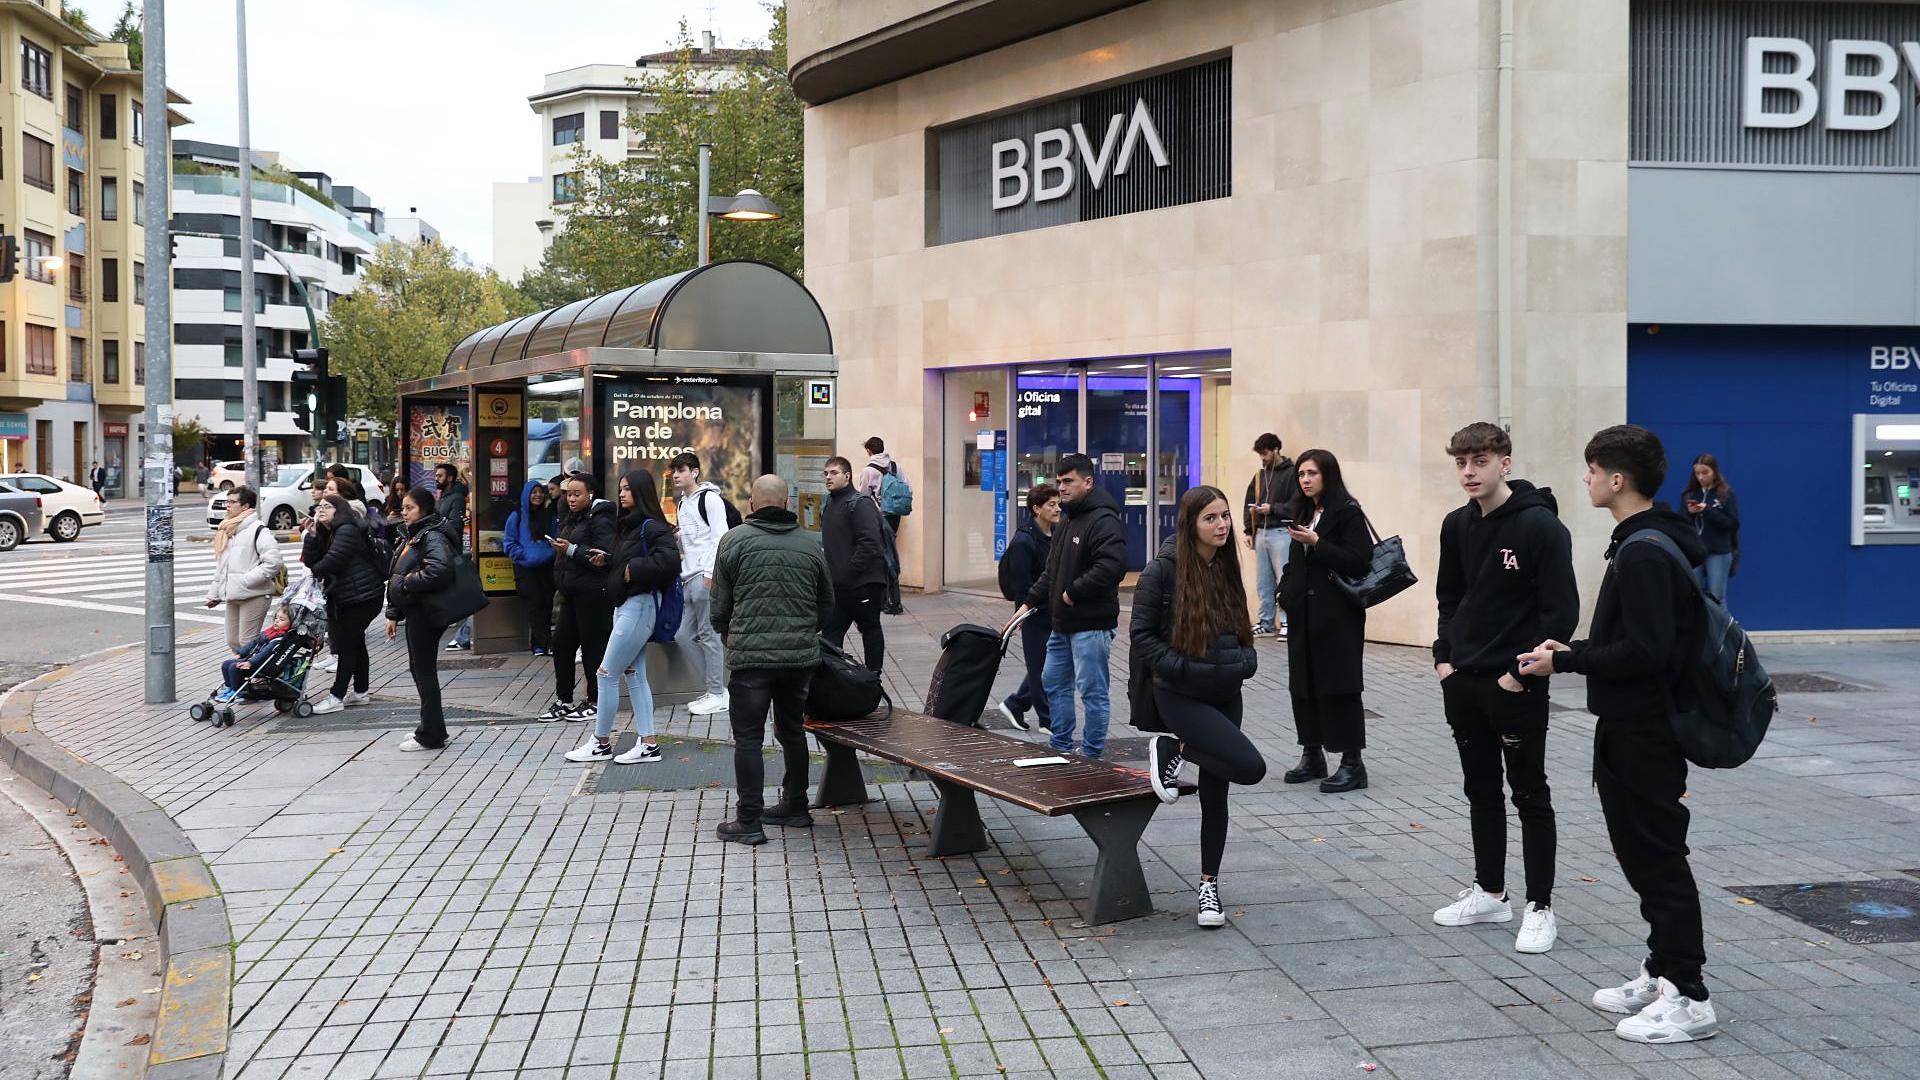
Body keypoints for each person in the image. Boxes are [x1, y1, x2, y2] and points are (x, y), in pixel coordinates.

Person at [1518, 424, 1718, 1044]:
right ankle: (1661, 971)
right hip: (1628, 725)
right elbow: (1633, 642)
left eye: (1590, 468)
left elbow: (1649, 652)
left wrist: (1568, 662)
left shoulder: (1646, 551)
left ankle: (1689, 995)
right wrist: (1573, 648)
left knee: (1658, 858)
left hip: (1646, 731)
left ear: (1616, 479)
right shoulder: (1641, 541)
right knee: (1640, 854)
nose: (1584, 478)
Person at [1430, 422, 1578, 955]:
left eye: (1480, 461)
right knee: (1480, 791)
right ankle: (1491, 892)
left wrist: (1519, 675)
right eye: (1461, 463)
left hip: (1514, 686)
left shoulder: (1541, 527)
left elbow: (1561, 612)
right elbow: (1449, 597)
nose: (1469, 472)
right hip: (1463, 683)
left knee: (1530, 794)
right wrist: (1444, 659)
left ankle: (1540, 906)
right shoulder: (1456, 525)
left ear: (1505, 463)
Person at [1130, 486, 1266, 928]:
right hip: (1181, 693)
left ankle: (1209, 886)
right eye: (1211, 518)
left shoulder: (1226, 567)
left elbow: (1243, 629)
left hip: (1226, 692)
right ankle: (1175, 748)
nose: (1222, 524)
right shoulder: (1162, 571)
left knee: (1217, 792)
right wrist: (1181, 669)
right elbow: (1142, 636)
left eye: (1225, 516)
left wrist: (1247, 661)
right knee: (1250, 766)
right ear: (1191, 524)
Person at [711, 474, 836, 846]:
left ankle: (749, 820)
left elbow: (719, 606)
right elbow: (827, 602)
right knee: (792, 731)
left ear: (751, 503)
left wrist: (730, 636)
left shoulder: (734, 541)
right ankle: (796, 806)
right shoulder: (810, 544)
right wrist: (804, 630)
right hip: (799, 659)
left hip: (750, 659)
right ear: (787, 504)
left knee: (748, 738)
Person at [565, 469, 680, 764]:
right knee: (634, 674)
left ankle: (601, 742)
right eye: (620, 489)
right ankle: (648, 743)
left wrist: (633, 570)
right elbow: (633, 558)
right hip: (628, 605)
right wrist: (612, 561)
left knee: (606, 673)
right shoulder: (630, 526)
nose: (621, 493)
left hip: (639, 606)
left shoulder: (652, 527)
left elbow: (669, 562)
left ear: (640, 492)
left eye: (627, 489)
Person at [1277, 449, 1374, 793]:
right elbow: (1294, 561)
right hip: (1303, 615)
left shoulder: (1347, 512)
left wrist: (1318, 542)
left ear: (1327, 475)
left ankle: (1352, 763)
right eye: (1301, 474)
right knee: (1303, 685)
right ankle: (1312, 753)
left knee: (1340, 687)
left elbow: (1360, 561)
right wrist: (1284, 592)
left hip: (1337, 618)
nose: (1305, 479)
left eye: (1312, 473)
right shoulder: (1302, 511)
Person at [1018, 454, 1126, 760]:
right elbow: (1051, 571)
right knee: (1053, 682)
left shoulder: (1103, 519)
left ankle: (1091, 755)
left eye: (1069, 482)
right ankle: (1061, 747)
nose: (1061, 489)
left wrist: (1071, 593)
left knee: (1092, 692)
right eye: (1059, 482)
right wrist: (1027, 603)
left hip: (1090, 626)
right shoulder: (1066, 520)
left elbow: (1112, 566)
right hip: (1061, 624)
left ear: (1088, 482)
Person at [536, 473, 616, 722]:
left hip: (593, 592)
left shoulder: (601, 517)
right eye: (568, 493)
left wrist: (570, 550)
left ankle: (595, 700)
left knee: (593, 648)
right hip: (570, 591)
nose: (571, 498)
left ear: (590, 494)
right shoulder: (571, 516)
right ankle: (564, 699)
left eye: (577, 494)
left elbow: (603, 557)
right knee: (561, 644)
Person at [385, 487, 459, 752]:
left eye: (409, 508)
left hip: (426, 612)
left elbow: (439, 570)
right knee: (419, 669)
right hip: (417, 610)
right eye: (403, 508)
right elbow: (397, 570)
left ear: (424, 510)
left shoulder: (431, 535)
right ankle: (433, 728)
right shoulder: (415, 533)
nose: (404, 512)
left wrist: (407, 584)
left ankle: (430, 734)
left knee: (424, 671)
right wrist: (393, 612)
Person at [301, 494, 387, 714]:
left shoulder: (347, 529)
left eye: (326, 506)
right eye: (318, 507)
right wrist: (311, 536)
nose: (320, 510)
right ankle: (360, 692)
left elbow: (332, 561)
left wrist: (316, 570)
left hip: (363, 596)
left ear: (339, 510)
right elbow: (312, 561)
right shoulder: (329, 532)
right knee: (356, 643)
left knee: (348, 644)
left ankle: (336, 696)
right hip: (349, 596)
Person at [669, 452, 732, 715]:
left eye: (681, 470)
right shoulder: (683, 503)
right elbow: (694, 539)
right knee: (683, 635)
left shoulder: (710, 499)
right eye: (674, 471)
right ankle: (716, 689)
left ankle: (717, 693)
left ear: (695, 472)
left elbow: (721, 537)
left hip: (704, 576)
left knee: (709, 635)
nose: (676, 475)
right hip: (689, 575)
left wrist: (711, 574)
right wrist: (679, 536)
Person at [995, 484, 1059, 732]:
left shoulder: (1054, 534)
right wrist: (1021, 614)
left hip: (1052, 611)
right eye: (1050, 504)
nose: (1056, 508)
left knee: (1045, 665)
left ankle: (1016, 703)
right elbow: (1021, 584)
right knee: (1039, 666)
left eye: (1057, 503)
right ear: (1036, 509)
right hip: (1034, 613)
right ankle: (1047, 720)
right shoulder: (1024, 540)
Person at [821, 456, 889, 673]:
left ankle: (873, 680)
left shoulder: (859, 504)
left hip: (863, 585)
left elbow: (870, 544)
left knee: (870, 630)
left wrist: (847, 573)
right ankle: (834, 682)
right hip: (839, 588)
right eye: (826, 474)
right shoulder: (830, 503)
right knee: (831, 636)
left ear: (847, 476)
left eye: (834, 473)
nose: (828, 477)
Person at [204, 486, 285, 652]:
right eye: (227, 501)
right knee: (233, 641)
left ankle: (256, 673)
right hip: (234, 594)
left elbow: (273, 562)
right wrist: (214, 594)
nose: (228, 505)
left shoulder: (258, 529)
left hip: (254, 594)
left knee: (247, 641)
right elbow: (223, 568)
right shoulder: (229, 530)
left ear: (246, 506)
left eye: (233, 502)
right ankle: (245, 673)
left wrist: (247, 580)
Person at [1244, 434, 1298, 640]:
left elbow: (1297, 506)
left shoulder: (1292, 474)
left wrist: (1272, 509)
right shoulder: (1259, 476)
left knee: (1284, 579)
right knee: (1264, 581)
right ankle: (1266, 622)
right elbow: (1248, 504)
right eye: (1260, 454)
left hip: (1281, 532)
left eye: (1265, 453)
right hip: (1262, 533)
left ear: (1276, 449)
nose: (1263, 458)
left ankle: (1287, 621)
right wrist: (1249, 530)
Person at [501, 479, 557, 656]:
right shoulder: (516, 516)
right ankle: (543, 644)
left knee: (546, 605)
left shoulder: (549, 516)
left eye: (541, 492)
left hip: (547, 567)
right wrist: (525, 557)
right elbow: (509, 543)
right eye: (534, 492)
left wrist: (548, 554)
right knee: (535, 605)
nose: (538, 495)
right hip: (525, 569)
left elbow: (555, 540)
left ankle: (541, 644)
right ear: (527, 495)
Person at [857, 436, 905, 614]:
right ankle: (889, 600)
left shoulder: (868, 470)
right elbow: (908, 489)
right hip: (895, 516)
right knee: (889, 553)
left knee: (884, 558)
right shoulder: (895, 466)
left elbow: (862, 496)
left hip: (879, 517)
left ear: (869, 451)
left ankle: (892, 602)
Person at [1683, 454, 1739, 604]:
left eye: (1705, 473)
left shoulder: (1725, 493)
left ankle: (1721, 627)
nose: (1701, 477)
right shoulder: (1690, 494)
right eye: (1697, 473)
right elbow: (1681, 524)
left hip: (1718, 551)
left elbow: (1732, 523)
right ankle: (1698, 627)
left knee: (1716, 598)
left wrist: (1707, 510)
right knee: (1693, 596)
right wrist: (1690, 513)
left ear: (1714, 471)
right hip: (1695, 552)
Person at [217, 604, 294, 702]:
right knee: (226, 664)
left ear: (290, 623)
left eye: (282, 619)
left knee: (234, 668)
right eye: (276, 618)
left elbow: (265, 653)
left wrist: (250, 662)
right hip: (254, 660)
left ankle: (237, 691)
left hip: (262, 665)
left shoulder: (280, 639)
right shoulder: (270, 631)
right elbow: (254, 642)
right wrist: (241, 653)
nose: (277, 621)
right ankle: (229, 688)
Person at [435, 463, 475, 650]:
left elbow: (455, 524)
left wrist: (436, 527)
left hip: (451, 547)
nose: (437, 478)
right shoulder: (444, 496)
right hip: (442, 546)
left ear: (450, 478)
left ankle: (454, 614)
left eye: (440, 475)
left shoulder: (456, 497)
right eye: (436, 475)